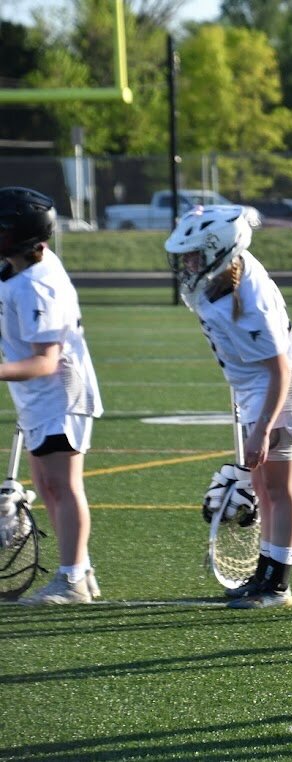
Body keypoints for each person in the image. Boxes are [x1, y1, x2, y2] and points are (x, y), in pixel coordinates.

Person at [165, 204, 292, 609]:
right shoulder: (220, 277)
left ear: (219, 250)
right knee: (265, 490)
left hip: (281, 392)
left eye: (194, 253)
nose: (187, 263)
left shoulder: (252, 299)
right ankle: (265, 573)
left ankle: (277, 583)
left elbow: (280, 371)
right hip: (256, 390)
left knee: (281, 489)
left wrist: (263, 428)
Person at [0, 187, 103, 605]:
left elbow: (45, 361)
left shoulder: (39, 284)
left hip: (60, 394)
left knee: (62, 485)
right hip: (36, 396)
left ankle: (73, 579)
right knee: (46, 485)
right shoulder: (19, 265)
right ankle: (80, 568)